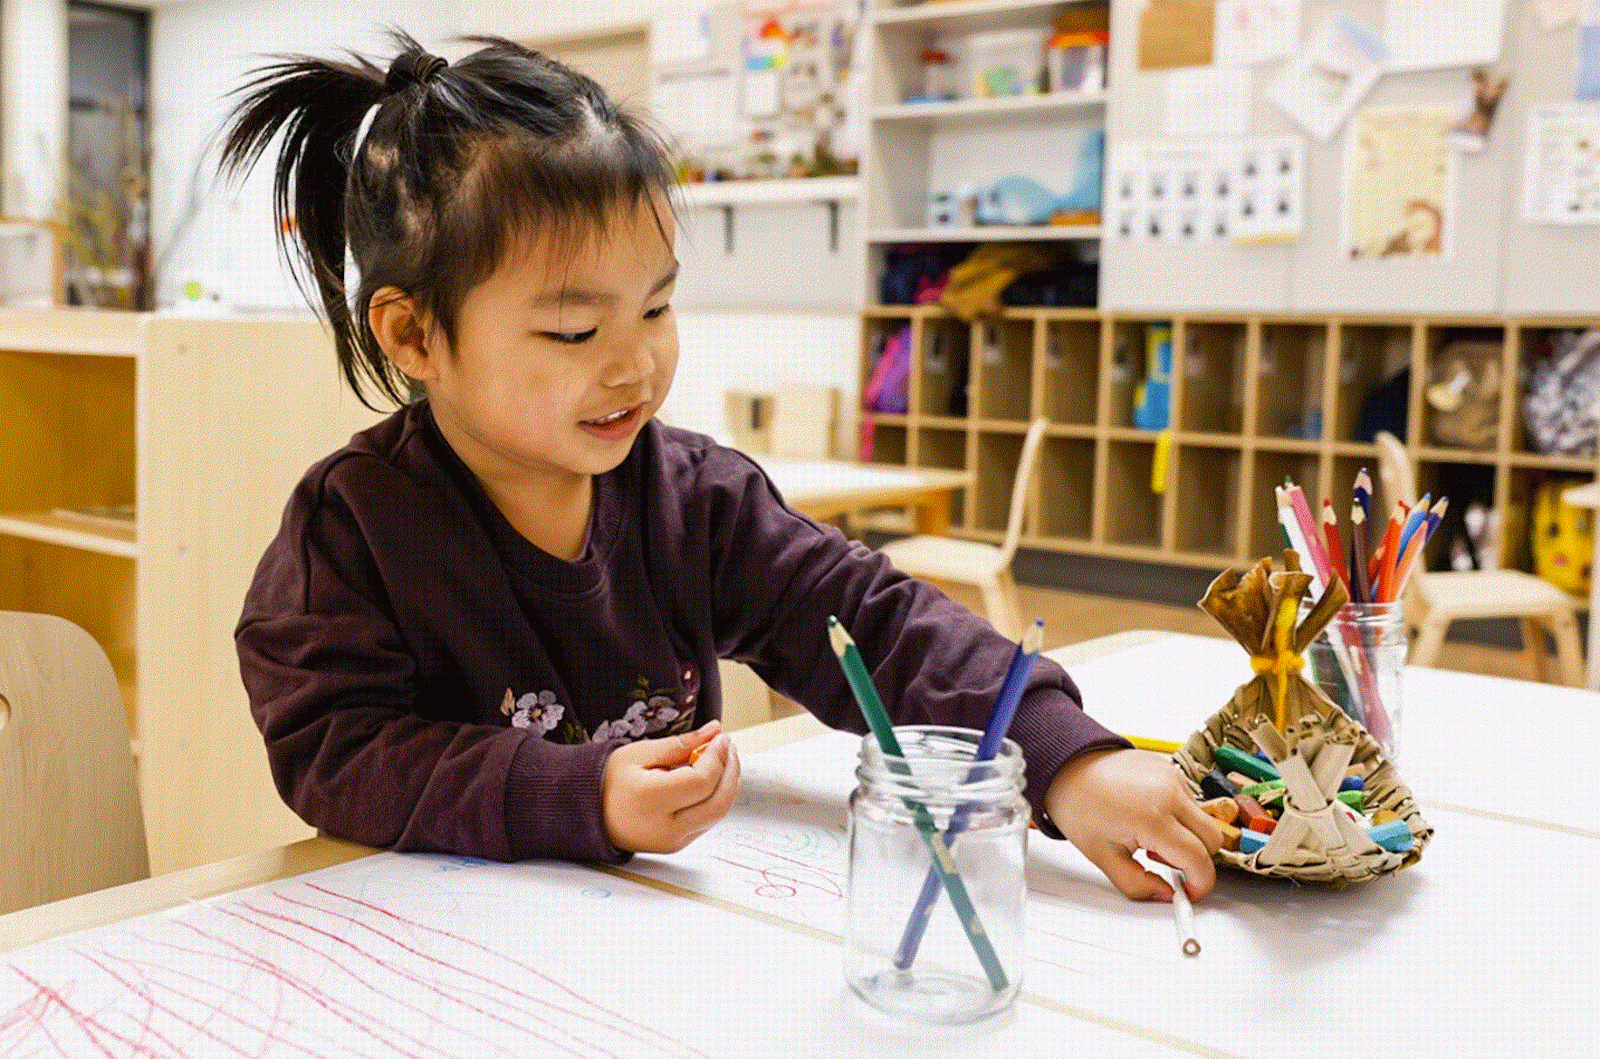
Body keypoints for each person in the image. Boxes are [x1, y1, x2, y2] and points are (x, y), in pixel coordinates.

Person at [226, 31, 1220, 903]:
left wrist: (1056, 758)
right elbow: (334, 752)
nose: (635, 362)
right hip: (435, 947)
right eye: (574, 329)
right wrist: (579, 793)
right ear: (413, 336)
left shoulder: (695, 500)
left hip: (667, 936)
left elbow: (870, 624)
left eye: (656, 308)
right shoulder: (353, 526)